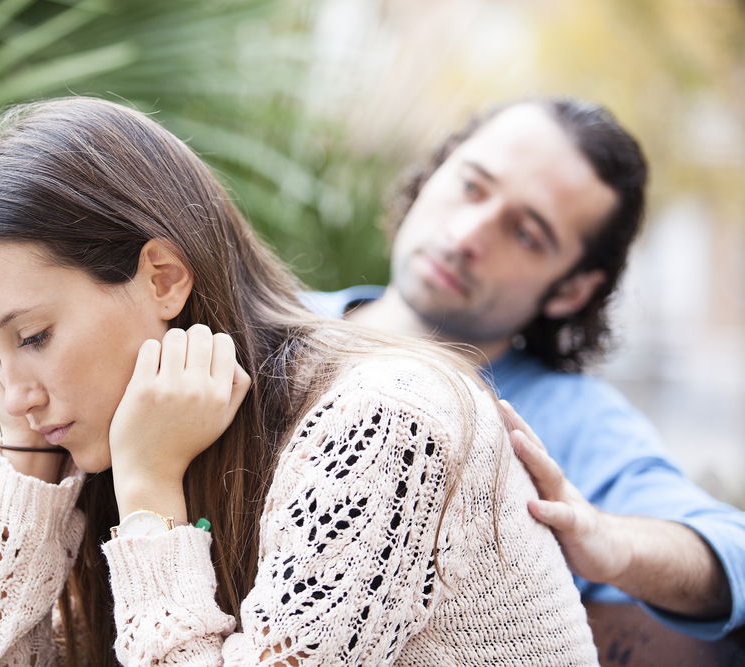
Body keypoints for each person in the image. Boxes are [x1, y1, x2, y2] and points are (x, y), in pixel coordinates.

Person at [0, 96, 598, 665]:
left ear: (162, 278)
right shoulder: (103, 430)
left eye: (34, 336)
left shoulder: (384, 421)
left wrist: (150, 492)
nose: (15, 390)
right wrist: (26, 447)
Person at [302, 96, 745, 640]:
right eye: (472, 185)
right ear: (439, 167)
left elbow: (733, 554)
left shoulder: (567, 426)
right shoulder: (261, 325)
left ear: (572, 289)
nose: (465, 237)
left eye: (526, 234)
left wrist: (611, 543)